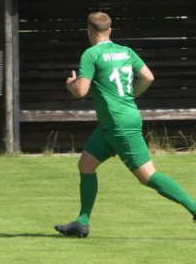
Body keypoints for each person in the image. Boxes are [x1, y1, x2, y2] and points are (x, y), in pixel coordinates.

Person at [55, 12, 196, 237]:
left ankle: (195, 208)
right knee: (86, 165)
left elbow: (81, 91)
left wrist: (71, 85)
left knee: (148, 176)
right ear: (110, 30)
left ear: (90, 32)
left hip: (118, 124)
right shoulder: (126, 52)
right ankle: (82, 223)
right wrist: (130, 96)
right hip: (114, 123)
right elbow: (148, 77)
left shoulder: (91, 55)